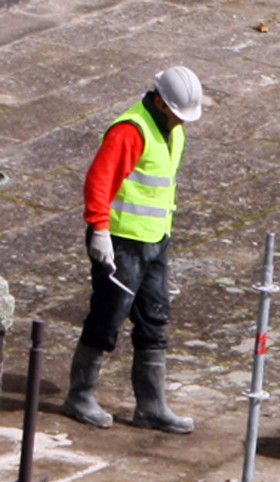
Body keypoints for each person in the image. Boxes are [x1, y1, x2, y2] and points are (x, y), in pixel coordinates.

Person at [63, 66, 202, 434]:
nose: (180, 120)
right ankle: (80, 395)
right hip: (122, 244)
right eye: (176, 112)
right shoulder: (130, 130)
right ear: (159, 101)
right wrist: (99, 231)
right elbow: (99, 181)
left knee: (155, 318)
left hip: (155, 241)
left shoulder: (173, 132)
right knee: (108, 317)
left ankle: (151, 407)